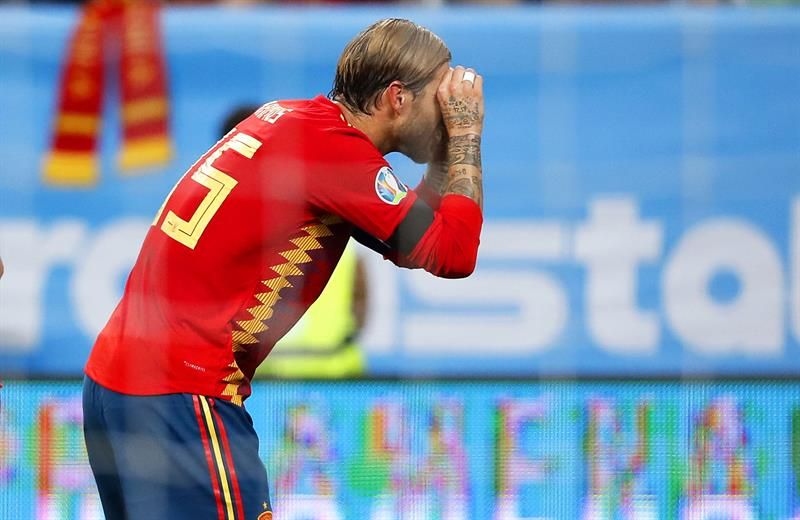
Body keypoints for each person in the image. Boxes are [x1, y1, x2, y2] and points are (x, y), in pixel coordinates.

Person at [82, 18, 484, 520]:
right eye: (439, 98)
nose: (448, 110)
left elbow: (416, 242)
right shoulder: (337, 155)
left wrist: (443, 156)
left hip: (115, 386)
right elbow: (455, 254)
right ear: (397, 98)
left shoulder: (293, 120)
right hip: (182, 395)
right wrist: (466, 135)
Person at [221, 105, 370, 379]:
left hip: (273, 380)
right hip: (324, 375)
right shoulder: (324, 204)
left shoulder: (227, 223)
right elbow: (361, 300)